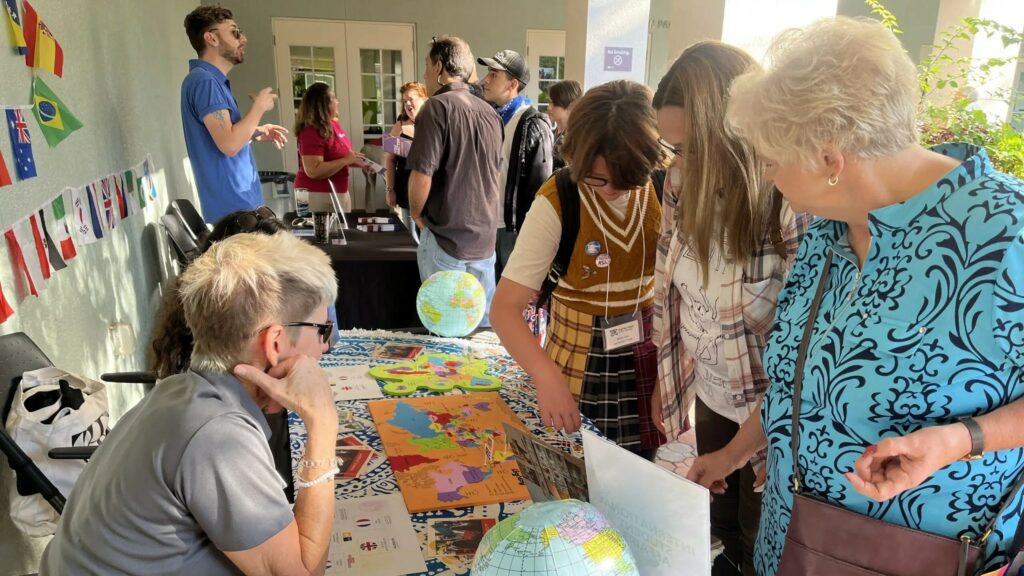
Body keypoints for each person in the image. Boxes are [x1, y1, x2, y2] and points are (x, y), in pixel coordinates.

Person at [687, 17, 1024, 575]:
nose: (769, 177)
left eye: (772, 161)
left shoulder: (1006, 231)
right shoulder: (829, 228)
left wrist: (963, 438)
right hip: (794, 541)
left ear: (828, 158)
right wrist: (735, 451)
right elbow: (800, 379)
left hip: (920, 553)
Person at [41, 232, 340, 575]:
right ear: (275, 343)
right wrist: (323, 423)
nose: (325, 347)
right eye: (322, 329)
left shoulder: (180, 389)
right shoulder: (218, 436)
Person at [650, 41, 812, 576]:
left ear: (732, 134)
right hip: (714, 396)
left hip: (772, 416)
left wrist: (747, 445)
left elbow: (804, 347)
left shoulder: (788, 199)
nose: (678, 162)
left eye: (689, 147)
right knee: (712, 533)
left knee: (757, 539)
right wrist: (666, 378)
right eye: (672, 148)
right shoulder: (678, 181)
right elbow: (671, 290)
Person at [491, 80, 666, 460]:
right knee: (577, 483)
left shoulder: (664, 188)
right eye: (596, 178)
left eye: (625, 179)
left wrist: (670, 379)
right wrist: (545, 377)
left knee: (637, 477)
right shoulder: (560, 198)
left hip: (646, 363)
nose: (609, 190)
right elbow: (504, 309)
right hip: (573, 365)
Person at [407, 35, 502, 327]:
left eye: (426, 65)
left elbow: (423, 173)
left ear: (439, 67)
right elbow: (494, 174)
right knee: (483, 333)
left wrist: (415, 214)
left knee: (445, 330)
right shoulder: (490, 113)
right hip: (484, 240)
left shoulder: (435, 109)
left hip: (446, 238)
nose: (424, 74)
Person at [180, 6, 288, 224]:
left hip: (240, 209)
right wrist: (258, 107)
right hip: (235, 213)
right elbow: (229, 144)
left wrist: (255, 132)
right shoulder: (205, 82)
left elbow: (226, 137)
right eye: (235, 32)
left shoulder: (210, 81)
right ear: (211, 38)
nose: (244, 39)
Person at [478, 49, 554, 276]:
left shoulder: (532, 123)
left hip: (513, 230)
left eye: (494, 75)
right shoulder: (490, 118)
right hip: (486, 225)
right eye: (488, 73)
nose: (485, 80)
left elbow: (541, 186)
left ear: (513, 84)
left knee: (514, 300)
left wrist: (530, 233)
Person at [294, 82, 367, 215]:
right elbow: (313, 171)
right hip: (313, 194)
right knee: (310, 235)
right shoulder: (310, 131)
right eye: (333, 98)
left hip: (338, 192)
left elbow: (340, 156)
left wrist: (361, 163)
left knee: (343, 234)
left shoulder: (333, 124)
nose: (337, 101)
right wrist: (346, 160)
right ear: (323, 104)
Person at [385, 81, 429, 243]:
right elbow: (389, 160)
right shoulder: (399, 124)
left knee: (428, 237)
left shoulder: (435, 123)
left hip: (430, 192)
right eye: (405, 101)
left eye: (411, 99)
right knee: (412, 239)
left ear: (425, 99)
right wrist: (390, 189)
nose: (408, 104)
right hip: (405, 189)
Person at [546, 80, 582, 170]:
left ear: (569, 105)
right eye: (549, 102)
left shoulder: (576, 139)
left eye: (554, 103)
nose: (549, 107)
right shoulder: (552, 133)